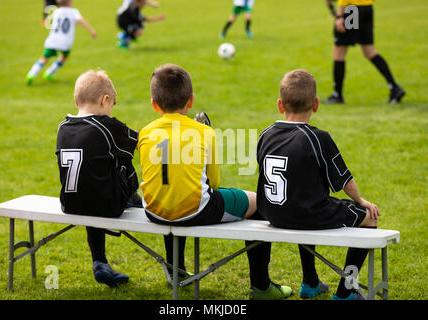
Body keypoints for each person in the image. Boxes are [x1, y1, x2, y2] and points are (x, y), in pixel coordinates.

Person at [137, 64, 291, 299]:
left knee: (172, 193)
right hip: (196, 210)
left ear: (154, 104)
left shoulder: (146, 132)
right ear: (191, 100)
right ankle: (261, 286)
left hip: (153, 210)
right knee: (259, 203)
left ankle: (174, 269)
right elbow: (214, 183)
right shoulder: (203, 132)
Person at [254, 69, 380, 300]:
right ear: (316, 104)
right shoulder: (317, 137)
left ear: (280, 105)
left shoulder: (265, 134)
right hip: (306, 215)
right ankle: (346, 290)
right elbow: (344, 180)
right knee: (369, 218)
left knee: (306, 198)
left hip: (272, 214)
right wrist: (361, 201)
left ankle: (310, 282)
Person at [56, 70, 142, 287]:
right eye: (113, 103)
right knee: (121, 158)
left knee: (93, 181)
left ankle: (99, 261)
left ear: (77, 100)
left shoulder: (63, 127)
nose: (112, 109)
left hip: (70, 203)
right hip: (108, 205)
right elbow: (143, 140)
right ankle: (134, 198)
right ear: (105, 100)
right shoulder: (108, 126)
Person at [322, 0, 405, 104]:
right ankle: (394, 87)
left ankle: (337, 95)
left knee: (339, 53)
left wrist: (339, 16)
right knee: (370, 52)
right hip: (367, 8)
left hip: (351, 9)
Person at [26, 0, 97, 85]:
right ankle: (49, 72)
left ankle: (31, 74)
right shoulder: (74, 12)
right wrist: (92, 30)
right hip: (65, 42)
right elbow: (81, 21)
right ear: (70, 2)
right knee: (64, 56)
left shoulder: (56, 11)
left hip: (53, 40)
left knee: (44, 58)